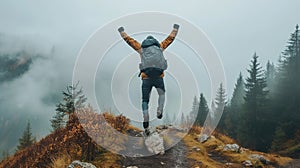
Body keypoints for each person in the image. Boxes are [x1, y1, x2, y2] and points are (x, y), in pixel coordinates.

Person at [118, 24, 179, 135]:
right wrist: (175, 29)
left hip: (146, 78)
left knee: (145, 100)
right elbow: (170, 39)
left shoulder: (142, 49)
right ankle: (159, 109)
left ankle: (145, 115)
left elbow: (129, 41)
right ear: (154, 41)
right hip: (159, 77)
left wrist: (122, 32)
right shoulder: (160, 47)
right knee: (162, 94)